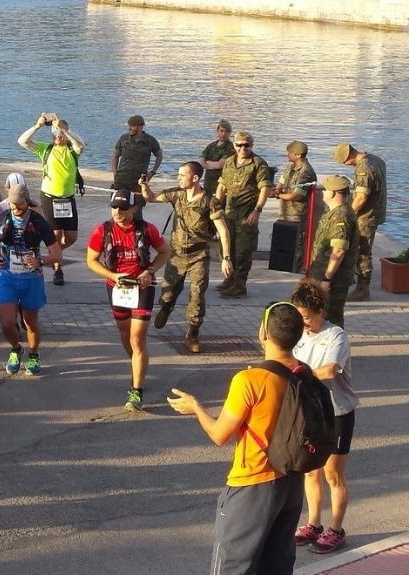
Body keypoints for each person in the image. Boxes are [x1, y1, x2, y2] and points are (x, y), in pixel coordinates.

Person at [167, 302, 308, 575]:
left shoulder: (250, 379)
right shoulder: (304, 373)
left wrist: (196, 408)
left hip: (252, 485)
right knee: (277, 565)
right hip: (291, 482)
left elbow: (220, 435)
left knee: (232, 567)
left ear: (263, 333)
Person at [290, 280, 359, 554]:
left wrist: (298, 374)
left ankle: (336, 529)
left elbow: (330, 370)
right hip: (311, 413)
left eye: (306, 317)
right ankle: (313, 524)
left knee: (333, 475)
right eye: (299, 317)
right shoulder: (300, 335)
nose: (303, 322)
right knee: (310, 471)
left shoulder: (337, 336)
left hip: (337, 414)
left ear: (319, 311)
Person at [86, 189, 170, 412]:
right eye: (114, 207)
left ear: (134, 208)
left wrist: (149, 271)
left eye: (123, 208)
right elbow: (91, 260)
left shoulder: (147, 229)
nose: (118, 212)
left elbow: (165, 252)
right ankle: (138, 366)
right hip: (117, 288)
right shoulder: (102, 230)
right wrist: (112, 276)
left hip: (142, 288)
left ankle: (136, 391)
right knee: (125, 334)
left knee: (137, 339)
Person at [140, 161, 232, 353]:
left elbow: (223, 231)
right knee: (168, 293)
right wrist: (144, 185)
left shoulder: (210, 201)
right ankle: (166, 308)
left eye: (183, 175)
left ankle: (192, 334)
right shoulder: (177, 194)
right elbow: (151, 198)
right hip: (176, 255)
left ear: (195, 178)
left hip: (199, 255)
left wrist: (226, 258)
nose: (179, 178)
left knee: (197, 295)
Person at [0, 184, 62, 376]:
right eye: (13, 205)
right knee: (6, 323)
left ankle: (34, 354)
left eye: (20, 205)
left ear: (28, 202)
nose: (16, 209)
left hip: (31, 279)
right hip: (7, 277)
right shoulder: (0, 218)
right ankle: (15, 349)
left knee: (30, 321)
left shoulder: (39, 222)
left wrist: (40, 260)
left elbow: (56, 254)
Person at [17, 113, 86, 285]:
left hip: (67, 198)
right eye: (56, 133)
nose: (59, 137)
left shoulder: (72, 150)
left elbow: (81, 145)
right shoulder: (45, 149)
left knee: (71, 237)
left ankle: (54, 253)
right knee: (55, 235)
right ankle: (58, 269)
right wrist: (38, 126)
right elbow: (22, 141)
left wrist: (67, 130)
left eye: (61, 133)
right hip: (50, 197)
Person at [215, 131, 271, 299]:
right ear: (234, 146)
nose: (242, 148)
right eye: (239, 145)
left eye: (246, 145)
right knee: (227, 248)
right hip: (230, 213)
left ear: (251, 146)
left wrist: (258, 210)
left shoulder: (258, 164)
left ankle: (240, 285)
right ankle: (229, 280)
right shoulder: (230, 162)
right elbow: (222, 185)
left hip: (247, 215)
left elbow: (265, 189)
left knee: (243, 252)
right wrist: (216, 203)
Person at [333, 142, 386, 302]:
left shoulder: (363, 168)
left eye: (346, 163)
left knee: (362, 253)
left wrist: (346, 213)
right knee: (360, 250)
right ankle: (357, 284)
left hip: (365, 217)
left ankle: (362, 290)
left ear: (350, 156)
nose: (348, 166)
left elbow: (361, 197)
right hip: (375, 213)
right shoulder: (376, 159)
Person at [306, 176, 359, 329]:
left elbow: (339, 250)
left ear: (334, 193)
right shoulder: (335, 212)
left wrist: (326, 278)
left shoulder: (340, 216)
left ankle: (336, 349)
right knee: (322, 314)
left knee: (330, 317)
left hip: (333, 279)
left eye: (325, 190)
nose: (323, 193)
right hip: (323, 274)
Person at [269, 141, 318, 273]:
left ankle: (296, 271)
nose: (287, 155)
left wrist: (277, 196)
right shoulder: (291, 166)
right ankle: (283, 267)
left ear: (298, 154)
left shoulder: (306, 171)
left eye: (290, 153)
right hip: (286, 212)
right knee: (284, 241)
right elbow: (282, 180)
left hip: (297, 214)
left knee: (297, 244)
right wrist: (277, 189)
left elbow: (297, 195)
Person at [111, 115, 162, 193]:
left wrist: (152, 172)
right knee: (118, 203)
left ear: (141, 127)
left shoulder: (150, 140)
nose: (129, 128)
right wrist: (115, 174)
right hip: (122, 178)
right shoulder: (123, 138)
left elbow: (159, 156)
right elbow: (115, 156)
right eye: (129, 125)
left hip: (139, 180)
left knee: (137, 203)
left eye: (132, 126)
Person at [199, 119, 235, 197]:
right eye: (221, 131)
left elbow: (220, 164)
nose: (224, 134)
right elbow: (201, 161)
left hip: (222, 185)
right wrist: (210, 165)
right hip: (208, 184)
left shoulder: (230, 147)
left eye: (226, 131)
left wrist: (208, 163)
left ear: (229, 133)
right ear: (217, 131)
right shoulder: (211, 145)